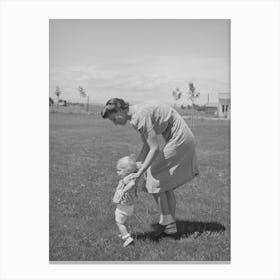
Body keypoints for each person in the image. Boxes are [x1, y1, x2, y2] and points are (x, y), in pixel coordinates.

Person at [102, 98, 199, 236]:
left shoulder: (139, 117)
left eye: (113, 119)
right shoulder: (136, 116)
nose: (115, 123)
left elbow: (154, 149)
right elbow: (147, 146)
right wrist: (135, 167)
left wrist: (139, 172)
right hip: (180, 137)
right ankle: (171, 227)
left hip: (180, 138)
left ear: (119, 111)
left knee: (152, 176)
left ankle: (166, 220)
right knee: (164, 183)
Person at [113, 155, 139, 247]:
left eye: (119, 170)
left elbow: (132, 184)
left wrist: (124, 190)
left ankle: (126, 238)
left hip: (123, 206)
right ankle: (124, 232)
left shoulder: (129, 179)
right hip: (129, 206)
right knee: (123, 221)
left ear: (127, 171)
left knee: (119, 222)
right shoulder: (132, 176)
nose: (117, 172)